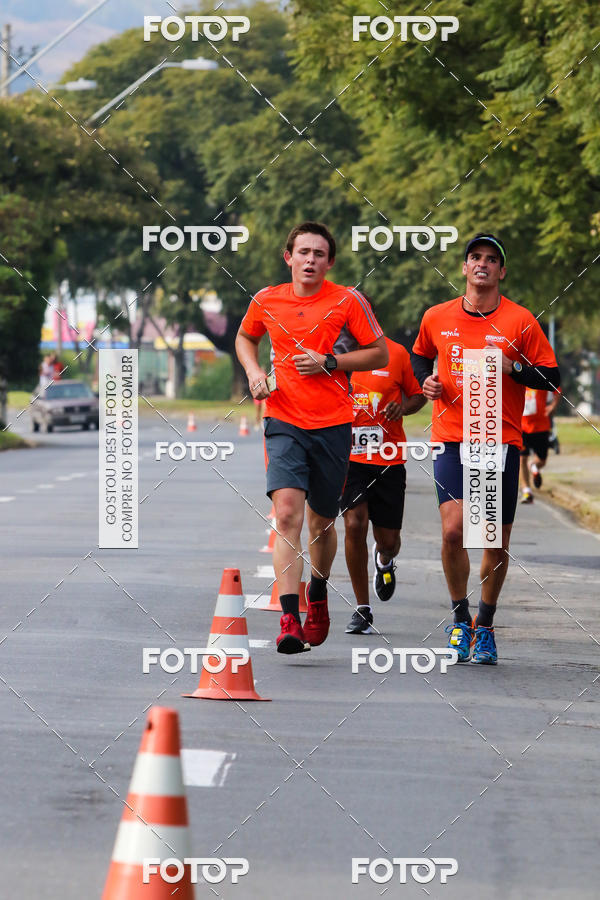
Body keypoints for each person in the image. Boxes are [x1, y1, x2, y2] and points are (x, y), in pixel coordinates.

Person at [235, 222, 388, 654]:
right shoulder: (267, 299)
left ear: (330, 262)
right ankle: (289, 617)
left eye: (319, 254)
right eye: (303, 252)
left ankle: (316, 595)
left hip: (334, 424)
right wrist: (253, 372)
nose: (310, 260)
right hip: (283, 419)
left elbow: (379, 352)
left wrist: (331, 362)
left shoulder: (347, 299)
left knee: (322, 522)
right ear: (288, 257)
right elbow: (246, 337)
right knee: (287, 516)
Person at [412, 233, 560, 664]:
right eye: (474, 257)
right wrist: (427, 381)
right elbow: (420, 356)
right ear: (464, 268)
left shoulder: (520, 321)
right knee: (454, 530)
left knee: (492, 539)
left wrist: (514, 367)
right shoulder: (437, 316)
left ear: (501, 272)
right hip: (452, 436)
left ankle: (486, 625)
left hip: (498, 440)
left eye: (491, 260)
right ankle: (460, 619)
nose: (482, 264)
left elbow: (550, 376)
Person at [342, 335, 426, 634]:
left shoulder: (396, 353)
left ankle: (384, 560)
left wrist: (401, 407)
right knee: (354, 524)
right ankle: (362, 608)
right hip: (349, 457)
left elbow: (418, 396)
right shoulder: (333, 354)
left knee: (389, 541)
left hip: (388, 457)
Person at [520, 387, 562, 502]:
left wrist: (553, 405)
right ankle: (526, 491)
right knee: (522, 458)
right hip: (522, 427)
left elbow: (557, 389)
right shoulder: (519, 379)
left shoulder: (539, 379)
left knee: (541, 461)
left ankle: (534, 466)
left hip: (541, 427)